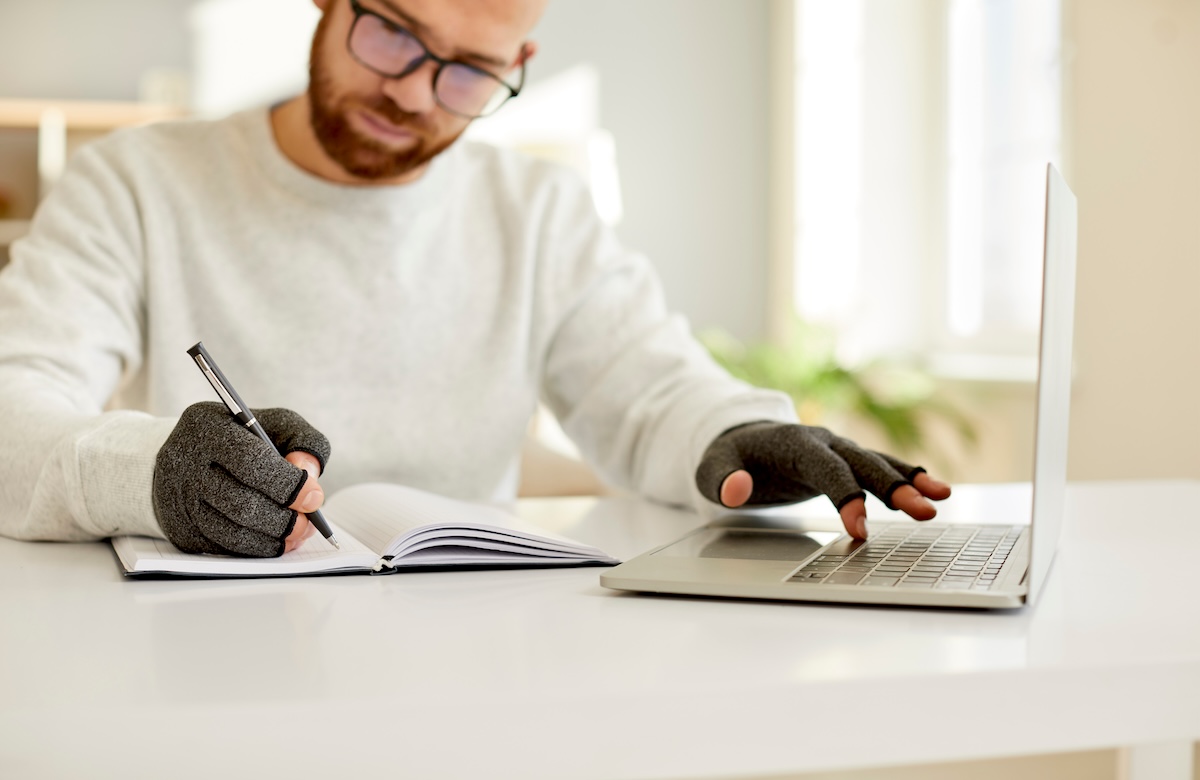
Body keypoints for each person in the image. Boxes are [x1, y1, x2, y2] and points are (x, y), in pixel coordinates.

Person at [0, 0, 950, 558]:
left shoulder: (538, 212)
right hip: (187, 658)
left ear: (520, 63)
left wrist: (738, 435)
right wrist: (150, 474)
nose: (413, 92)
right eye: (393, 35)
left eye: (467, 73)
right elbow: (13, 403)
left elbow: (655, 392)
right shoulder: (134, 183)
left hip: (470, 652)